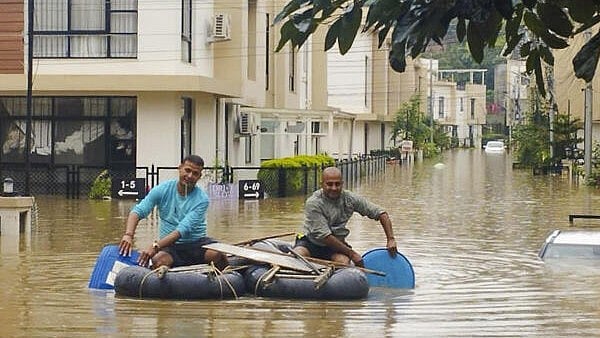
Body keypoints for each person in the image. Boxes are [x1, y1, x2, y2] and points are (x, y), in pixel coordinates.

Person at [118, 155, 228, 270]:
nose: (190, 176)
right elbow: (137, 212)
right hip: (170, 247)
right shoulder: (162, 190)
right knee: (158, 260)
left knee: (216, 254)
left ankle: (224, 280)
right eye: (187, 170)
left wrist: (155, 246)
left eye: (195, 173)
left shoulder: (202, 199)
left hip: (197, 244)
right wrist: (128, 235)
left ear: (199, 176)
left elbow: (181, 230)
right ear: (180, 168)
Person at [293, 166, 397, 267]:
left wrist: (391, 239)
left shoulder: (350, 199)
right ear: (322, 184)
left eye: (337, 184)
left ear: (342, 184)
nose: (334, 188)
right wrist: (352, 254)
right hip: (311, 242)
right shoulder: (314, 203)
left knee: (343, 262)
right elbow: (325, 236)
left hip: (335, 245)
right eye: (329, 184)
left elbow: (381, 213)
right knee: (299, 254)